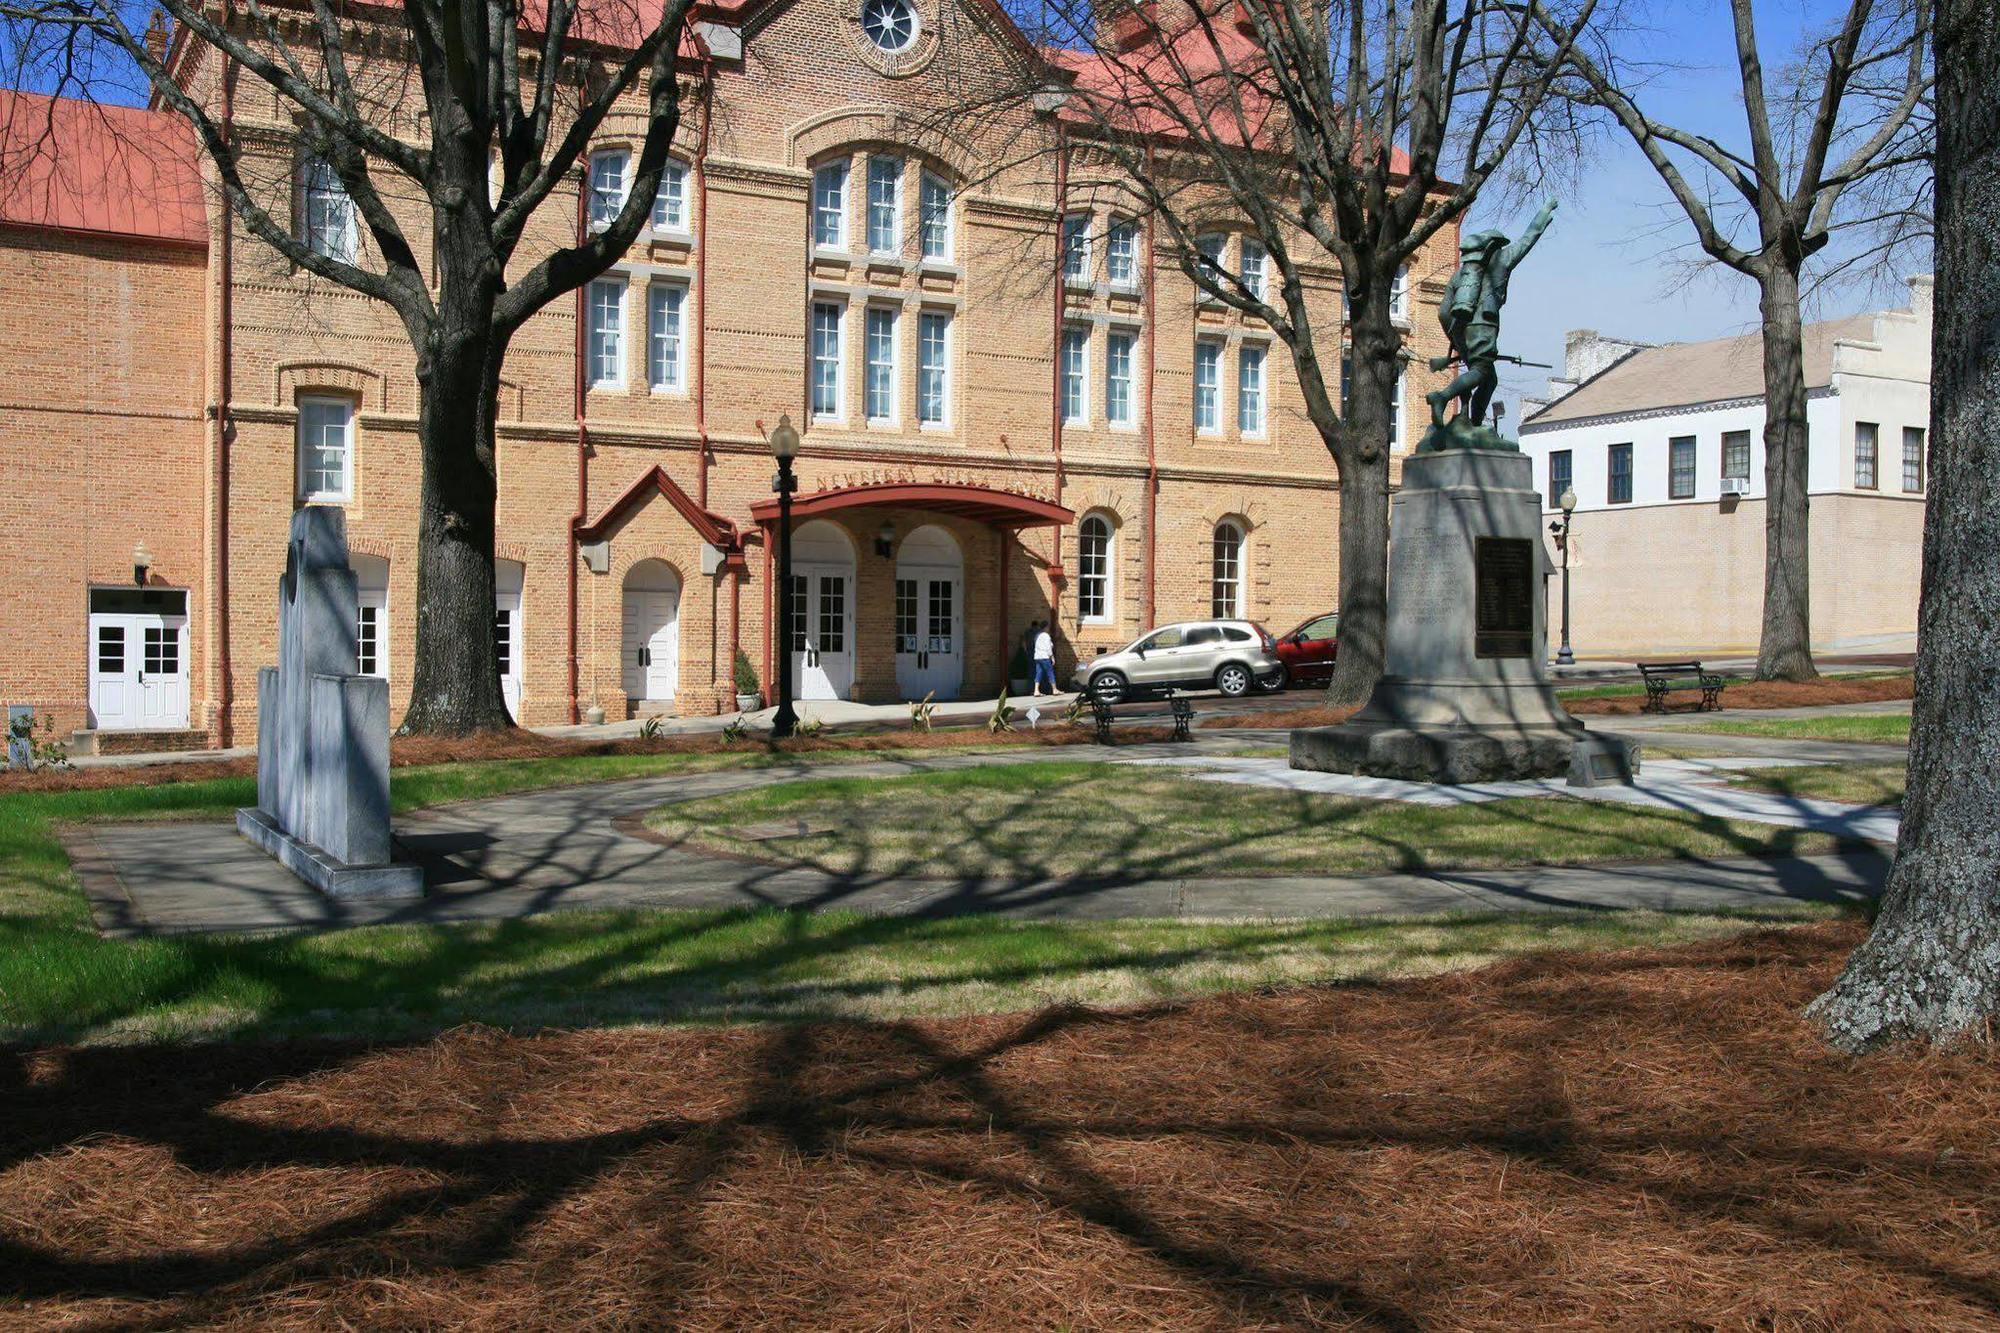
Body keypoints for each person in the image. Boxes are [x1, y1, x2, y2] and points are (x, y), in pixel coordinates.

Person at [1032, 620, 1058, 696]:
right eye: (1048, 627)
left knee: (1039, 673)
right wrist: (1052, 657)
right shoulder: (1046, 636)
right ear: (1046, 627)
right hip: (1045, 656)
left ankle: (1036, 690)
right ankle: (1054, 689)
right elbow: (1048, 648)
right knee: (1050, 672)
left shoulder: (1037, 635)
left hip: (1037, 656)